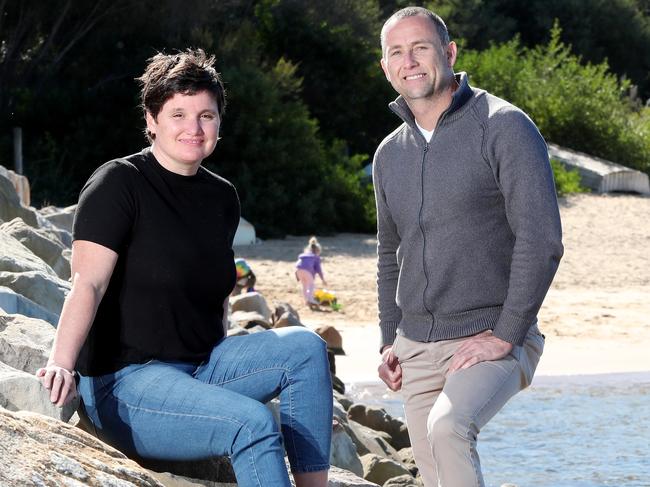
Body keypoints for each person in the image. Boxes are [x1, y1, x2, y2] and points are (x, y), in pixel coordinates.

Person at [35, 49, 331, 487]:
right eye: (178, 114)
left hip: (203, 367)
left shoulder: (222, 197)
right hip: (127, 382)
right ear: (152, 119)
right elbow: (88, 284)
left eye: (206, 116)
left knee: (306, 348)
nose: (193, 128)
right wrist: (61, 362)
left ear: (219, 124)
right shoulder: (118, 182)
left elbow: (213, 293)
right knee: (251, 423)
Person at [373, 7, 563, 487]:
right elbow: (389, 253)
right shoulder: (388, 154)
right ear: (385, 67)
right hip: (415, 347)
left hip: (490, 335)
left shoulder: (504, 126)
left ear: (449, 53)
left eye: (420, 48)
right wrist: (388, 339)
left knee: (449, 427)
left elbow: (541, 239)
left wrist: (507, 333)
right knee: (435, 470)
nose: (409, 61)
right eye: (397, 52)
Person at [295, 236, 327, 308]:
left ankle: (306, 300)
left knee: (305, 285)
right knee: (311, 285)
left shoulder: (304, 256)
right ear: (317, 251)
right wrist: (323, 279)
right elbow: (319, 269)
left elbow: (301, 264)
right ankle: (310, 299)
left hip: (298, 270)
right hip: (306, 270)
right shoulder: (316, 257)